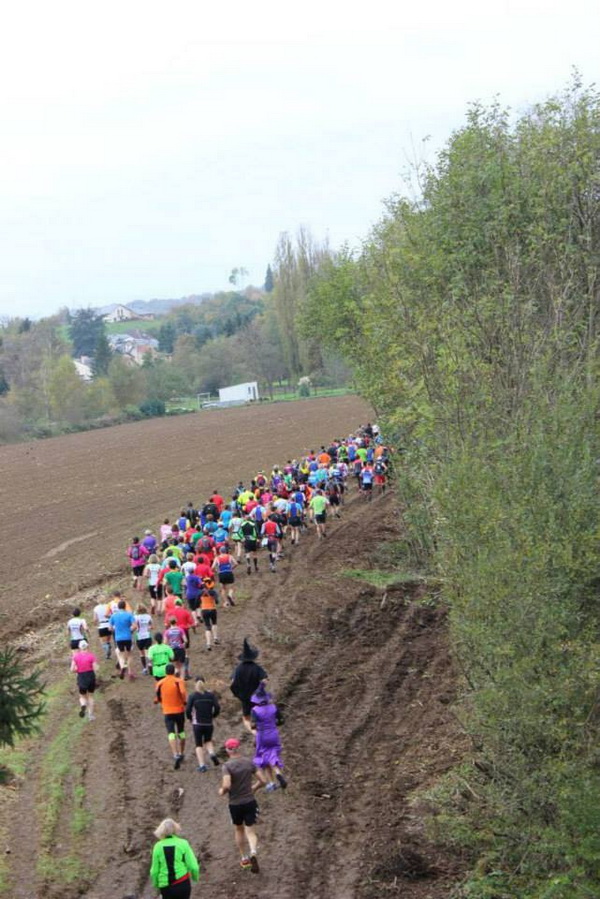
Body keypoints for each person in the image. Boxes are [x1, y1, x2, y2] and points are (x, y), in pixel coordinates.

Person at [219, 738, 266, 873]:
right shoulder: (248, 762)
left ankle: (244, 858)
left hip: (235, 804)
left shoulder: (227, 766)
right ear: (238, 748)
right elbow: (263, 780)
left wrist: (222, 790)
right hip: (249, 801)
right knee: (250, 830)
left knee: (239, 829)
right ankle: (253, 852)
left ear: (227, 750)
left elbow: (227, 785)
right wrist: (254, 788)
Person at [150, 817, 200, 898]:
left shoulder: (157, 846)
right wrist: (195, 877)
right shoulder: (183, 843)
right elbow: (193, 866)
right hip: (182, 883)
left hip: (165, 887)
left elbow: (154, 871)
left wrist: (156, 884)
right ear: (176, 829)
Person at [250, 682, 287, 792]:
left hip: (262, 736)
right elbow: (281, 720)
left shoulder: (255, 710)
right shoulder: (273, 707)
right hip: (274, 734)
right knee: (272, 754)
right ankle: (278, 773)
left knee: (263, 758)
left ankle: (271, 783)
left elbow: (253, 725)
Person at [230, 638, 267, 732]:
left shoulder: (238, 669)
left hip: (244, 697)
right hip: (256, 696)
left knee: (246, 718)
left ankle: (254, 733)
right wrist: (260, 690)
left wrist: (238, 694)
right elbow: (265, 680)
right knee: (260, 713)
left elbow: (232, 682)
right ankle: (261, 730)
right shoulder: (257, 668)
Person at [155, 663, 187, 769]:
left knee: (171, 733)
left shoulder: (160, 683)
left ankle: (175, 753)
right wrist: (184, 701)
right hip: (179, 710)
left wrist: (159, 701)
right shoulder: (179, 681)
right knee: (181, 731)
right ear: (174, 671)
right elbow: (182, 692)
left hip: (167, 711)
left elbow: (157, 697)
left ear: (165, 672)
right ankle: (181, 753)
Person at [186, 677, 221, 772]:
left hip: (197, 723)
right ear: (205, 683)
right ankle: (212, 753)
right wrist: (213, 716)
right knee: (208, 740)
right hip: (208, 723)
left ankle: (202, 765)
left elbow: (188, 709)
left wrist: (189, 718)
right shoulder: (211, 695)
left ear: (195, 684)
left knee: (198, 744)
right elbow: (217, 707)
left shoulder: (193, 696)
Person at [70, 639, 99, 721]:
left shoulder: (75, 656)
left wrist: (78, 669)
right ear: (87, 646)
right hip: (90, 676)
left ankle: (83, 705)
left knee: (82, 696)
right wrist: (96, 667)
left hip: (81, 677)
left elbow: (72, 669)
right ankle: (91, 715)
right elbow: (96, 668)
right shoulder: (91, 656)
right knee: (90, 696)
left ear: (79, 647)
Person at [109, 599, 137, 680]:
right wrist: (130, 630)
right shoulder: (129, 615)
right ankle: (130, 672)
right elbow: (134, 626)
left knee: (120, 654)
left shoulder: (113, 616)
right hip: (128, 637)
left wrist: (115, 630)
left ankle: (123, 666)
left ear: (118, 607)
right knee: (129, 654)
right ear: (125, 606)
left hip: (118, 638)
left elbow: (110, 628)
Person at [134, 604, 153, 674]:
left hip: (139, 636)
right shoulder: (148, 616)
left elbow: (135, 626)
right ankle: (150, 664)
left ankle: (145, 669)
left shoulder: (135, 617)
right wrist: (149, 627)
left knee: (141, 654)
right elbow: (151, 626)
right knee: (148, 652)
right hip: (147, 636)